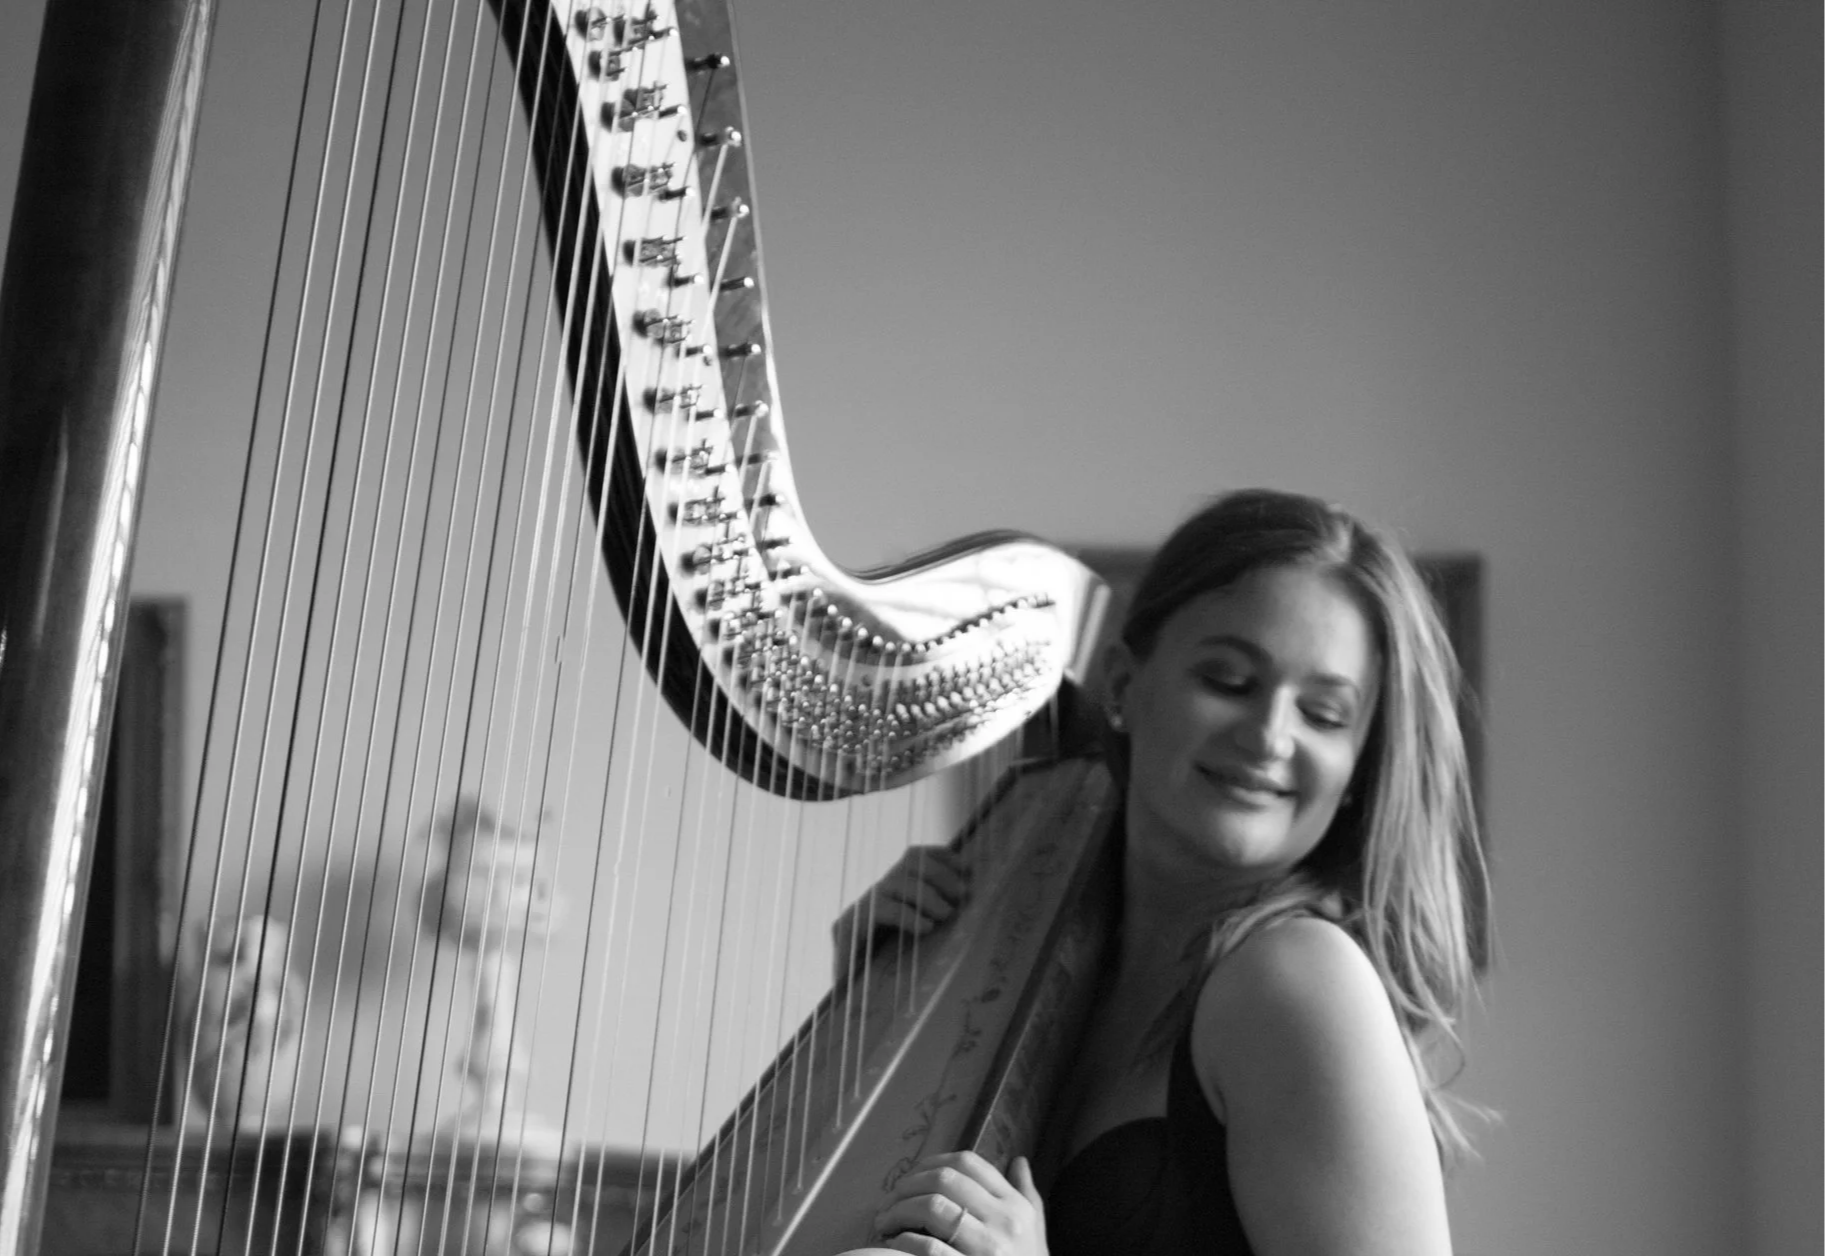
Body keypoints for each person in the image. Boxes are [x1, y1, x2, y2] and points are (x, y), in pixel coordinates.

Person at [840, 488, 1488, 1256]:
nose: (1269, 737)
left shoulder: (1296, 980)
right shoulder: (1053, 939)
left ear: (1357, 767)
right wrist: (870, 990)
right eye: (1228, 681)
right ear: (1121, 688)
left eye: (1322, 713)